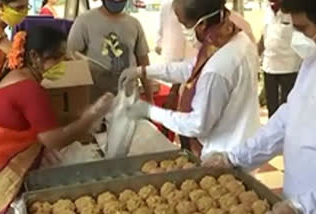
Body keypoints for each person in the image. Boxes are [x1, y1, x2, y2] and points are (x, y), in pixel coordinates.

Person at [202, 0, 316, 213]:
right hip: (292, 200)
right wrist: (234, 157)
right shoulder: (312, 64)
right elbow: (287, 120)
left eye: (302, 29)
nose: (297, 36)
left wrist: (305, 205)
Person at [120, 0, 260, 159]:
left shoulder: (217, 69)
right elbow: (190, 68)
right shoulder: (232, 37)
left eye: (184, 24)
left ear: (202, 24)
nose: (182, 30)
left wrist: (150, 111)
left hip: (225, 153)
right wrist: (143, 71)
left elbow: (197, 125)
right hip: (241, 137)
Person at [0, 26, 114, 213]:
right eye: (58, 57)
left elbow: (44, 121)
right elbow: (53, 140)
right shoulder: (29, 89)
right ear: (35, 57)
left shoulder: (19, 77)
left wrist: (79, 118)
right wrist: (93, 115)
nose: (64, 62)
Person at [67, 0, 153, 103]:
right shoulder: (84, 21)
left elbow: (144, 63)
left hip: (128, 100)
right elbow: (70, 55)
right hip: (95, 101)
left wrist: (150, 99)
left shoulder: (134, 24)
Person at [258, 0, 301, 117]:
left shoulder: (293, 11)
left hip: (289, 67)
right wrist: (256, 53)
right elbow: (264, 35)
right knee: (271, 108)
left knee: (287, 107)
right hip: (269, 66)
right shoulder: (267, 9)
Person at [0, 0, 29, 78]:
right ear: (0, 5)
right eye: (19, 8)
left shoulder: (1, 31)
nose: (23, 13)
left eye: (27, 8)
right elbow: (18, 57)